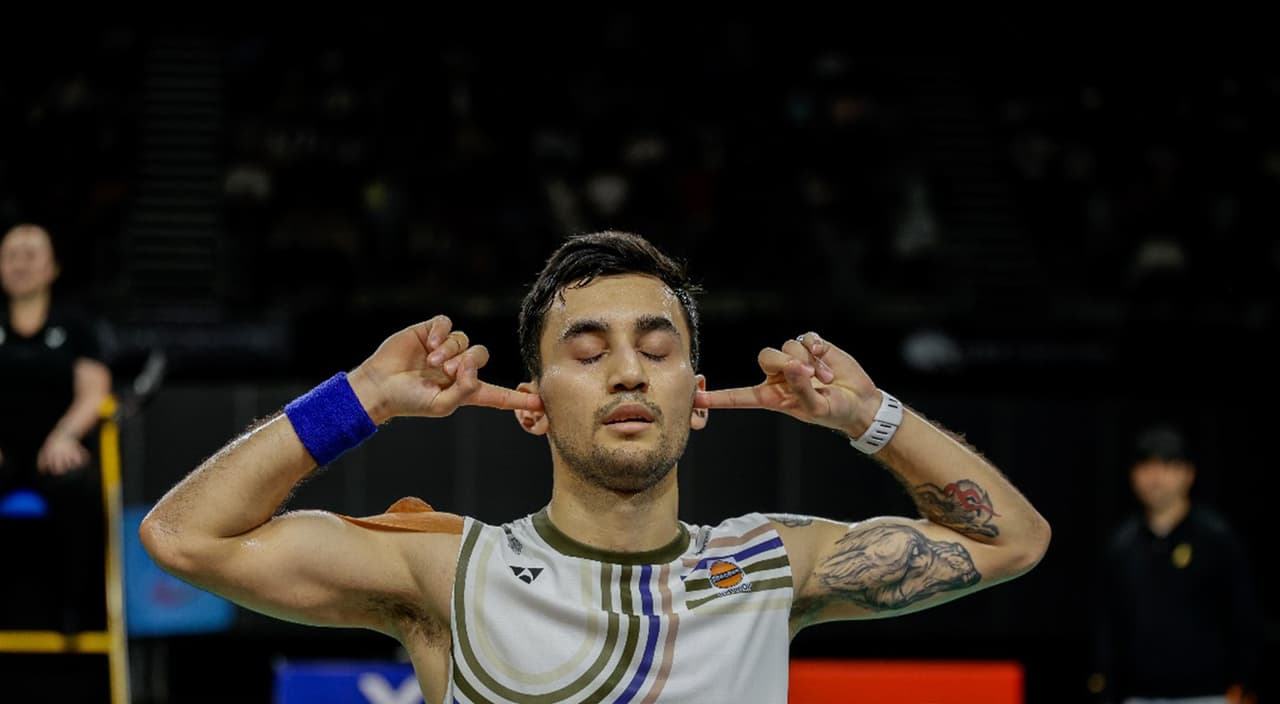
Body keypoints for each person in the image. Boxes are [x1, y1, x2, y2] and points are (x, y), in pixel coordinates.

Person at [140, 230, 1051, 702]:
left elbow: (1012, 541)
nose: (627, 372)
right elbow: (183, 538)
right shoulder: (449, 571)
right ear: (531, 402)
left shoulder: (773, 563)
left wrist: (871, 418)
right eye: (587, 351)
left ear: (697, 396)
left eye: (657, 349)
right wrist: (364, 397)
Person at [1089, 425, 1263, 704]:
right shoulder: (1121, 544)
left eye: (1167, 465)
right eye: (1146, 466)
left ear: (1188, 473)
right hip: (1138, 695)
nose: (1155, 477)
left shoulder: (1216, 538)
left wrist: (1245, 679)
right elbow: (1107, 625)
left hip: (1208, 694)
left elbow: (1243, 613)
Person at [0, 222, 113, 634]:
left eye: (31, 255)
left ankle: (74, 609)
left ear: (52, 268)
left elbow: (94, 392)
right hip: (4, 452)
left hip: (56, 450)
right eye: (11, 255)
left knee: (79, 487)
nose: (21, 264)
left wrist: (65, 435)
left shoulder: (75, 326)